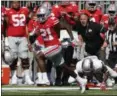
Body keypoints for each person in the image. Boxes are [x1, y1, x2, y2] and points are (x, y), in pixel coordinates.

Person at [4, 1, 34, 85]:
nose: (16, 4)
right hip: (11, 36)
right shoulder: (8, 12)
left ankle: (27, 77)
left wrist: (31, 9)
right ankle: (13, 76)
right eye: (14, 3)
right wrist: (6, 38)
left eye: (17, 2)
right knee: (13, 57)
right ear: (11, 4)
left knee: (24, 56)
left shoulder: (24, 10)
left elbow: (28, 20)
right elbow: (5, 26)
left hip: (22, 36)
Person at [103, 18, 117, 87]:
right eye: (110, 24)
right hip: (111, 53)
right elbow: (106, 41)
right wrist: (104, 45)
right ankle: (104, 82)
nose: (111, 26)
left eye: (112, 24)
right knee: (109, 69)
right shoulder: (107, 32)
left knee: (116, 68)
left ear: (115, 24)